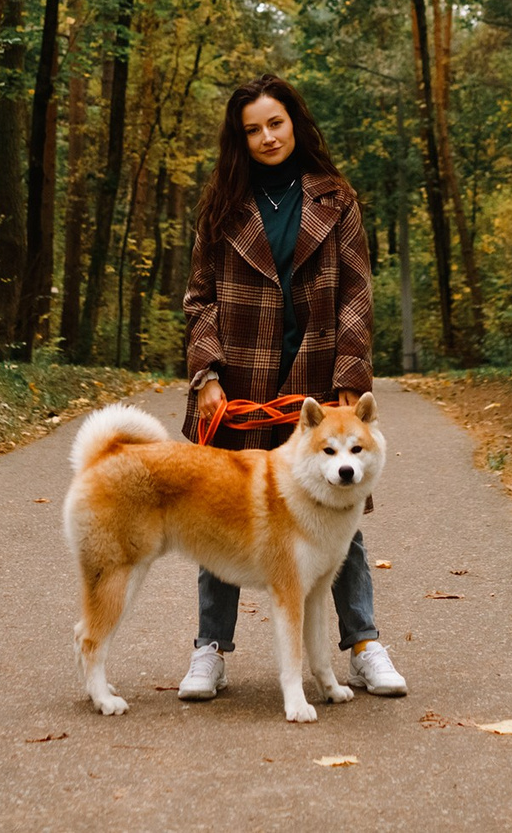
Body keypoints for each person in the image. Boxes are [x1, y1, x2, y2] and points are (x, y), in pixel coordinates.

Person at [176, 73, 406, 703]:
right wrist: (206, 376)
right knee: (219, 515)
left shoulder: (338, 200)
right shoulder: (221, 204)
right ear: (239, 139)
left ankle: (363, 644)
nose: (267, 137)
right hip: (240, 381)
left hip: (317, 381)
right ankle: (209, 649)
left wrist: (346, 386)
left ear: (295, 123)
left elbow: (357, 294)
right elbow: (199, 300)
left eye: (275, 123)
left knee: (339, 517)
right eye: (252, 129)